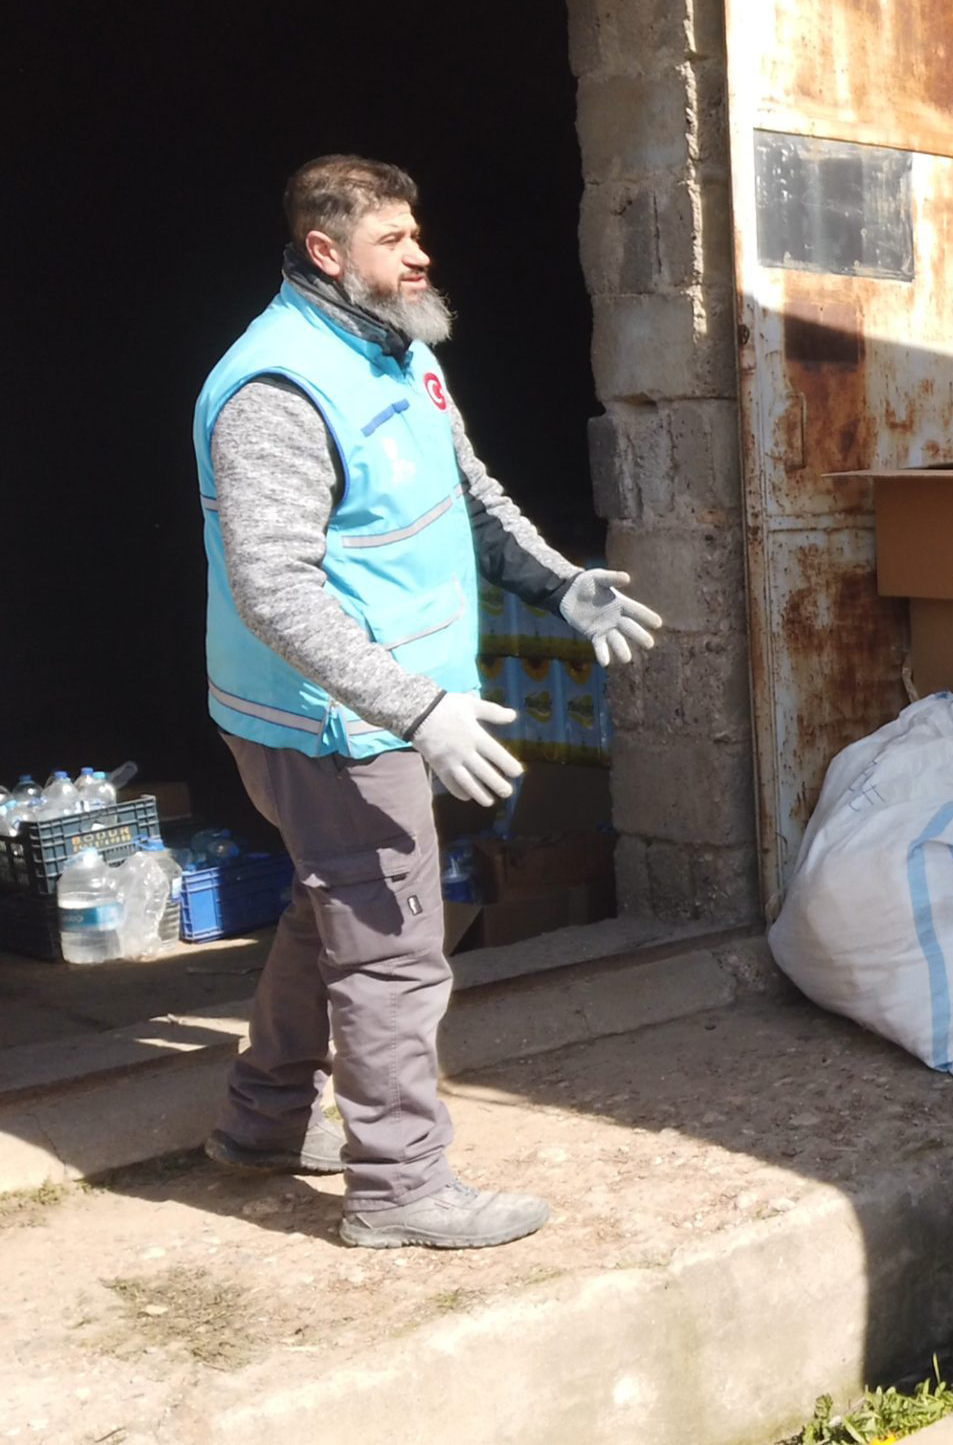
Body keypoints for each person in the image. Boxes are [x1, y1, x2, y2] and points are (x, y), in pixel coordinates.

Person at [192, 155, 663, 1250]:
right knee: (395, 945)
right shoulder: (277, 388)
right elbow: (274, 588)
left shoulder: (395, 353)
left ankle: (260, 1123)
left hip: (378, 706)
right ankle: (400, 1187)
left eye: (417, 234)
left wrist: (558, 583)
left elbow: (471, 489)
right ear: (326, 251)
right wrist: (415, 708)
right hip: (331, 720)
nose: (421, 254)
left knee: (335, 908)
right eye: (396, 238)